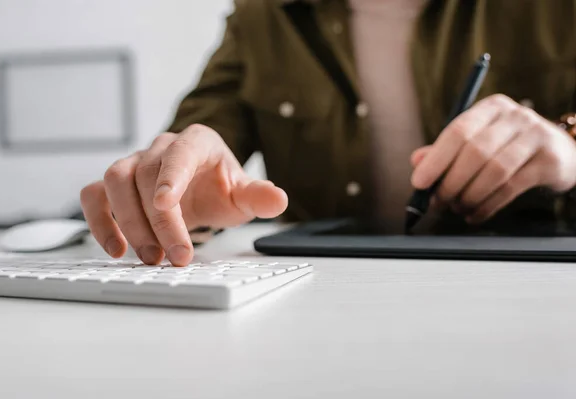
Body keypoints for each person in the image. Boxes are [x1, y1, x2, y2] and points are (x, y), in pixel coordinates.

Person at [80, 0, 576, 266]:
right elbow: (197, 138)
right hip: (319, 299)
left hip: (525, 291)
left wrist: (569, 143)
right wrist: (173, 190)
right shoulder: (262, 17)